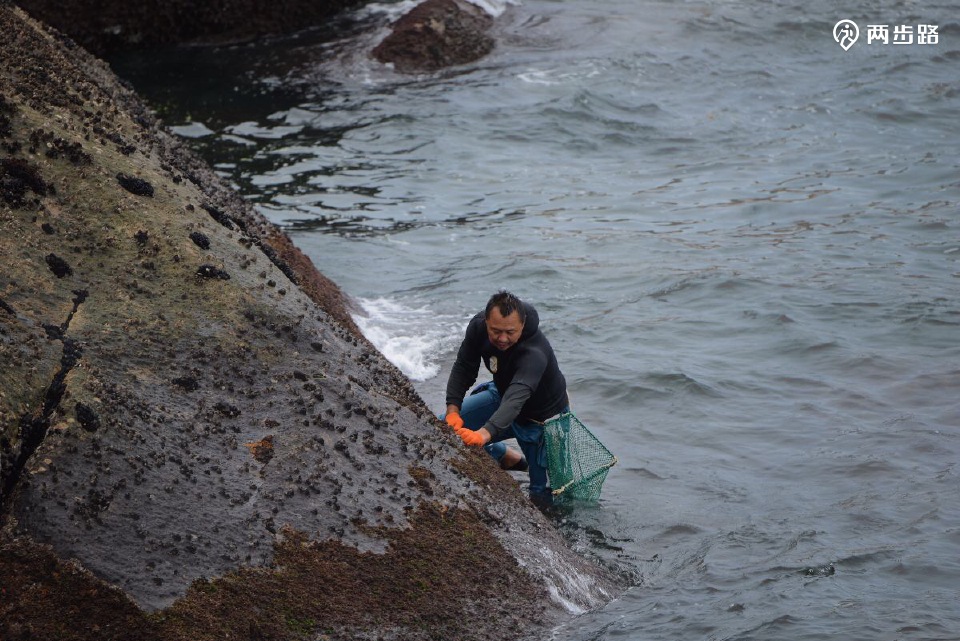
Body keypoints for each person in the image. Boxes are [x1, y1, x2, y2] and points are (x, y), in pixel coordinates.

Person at [444, 291, 569, 504]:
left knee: (542, 495)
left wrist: (483, 434)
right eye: (496, 331)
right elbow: (464, 367)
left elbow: (516, 399)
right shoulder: (477, 327)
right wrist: (452, 410)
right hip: (500, 396)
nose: (502, 339)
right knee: (443, 430)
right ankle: (504, 455)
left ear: (522, 325)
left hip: (541, 419)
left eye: (510, 332)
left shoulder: (534, 352)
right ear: (486, 321)